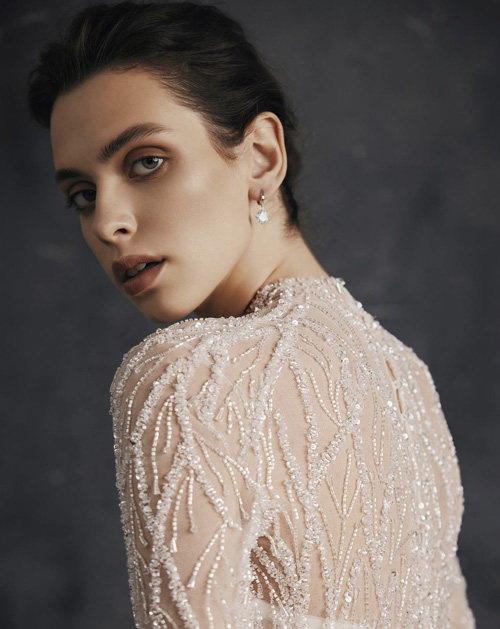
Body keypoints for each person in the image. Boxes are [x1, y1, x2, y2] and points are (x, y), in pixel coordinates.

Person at [27, 2, 475, 627]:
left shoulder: (188, 378)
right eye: (82, 194)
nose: (107, 222)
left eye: (146, 162)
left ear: (262, 155)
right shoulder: (407, 380)